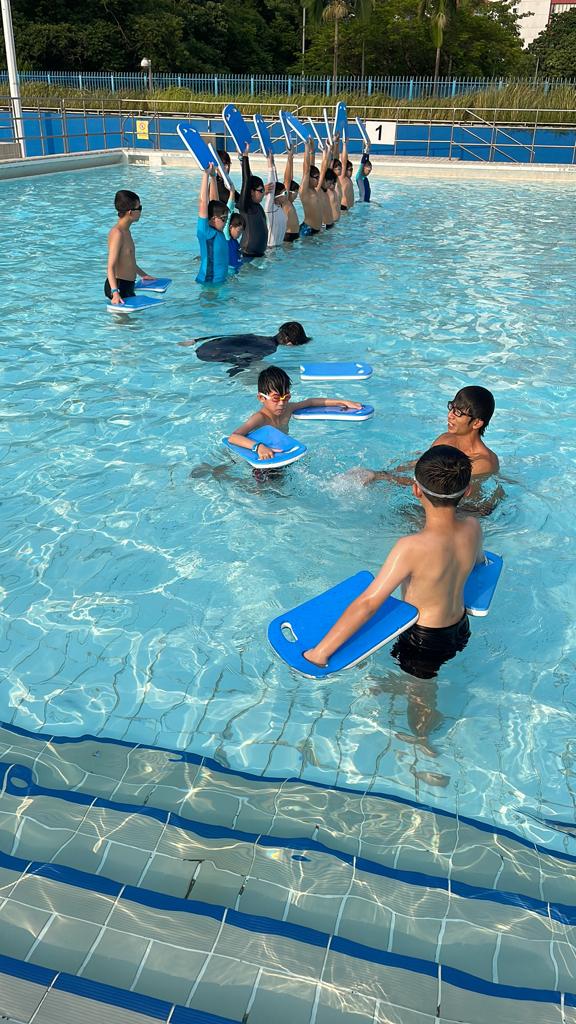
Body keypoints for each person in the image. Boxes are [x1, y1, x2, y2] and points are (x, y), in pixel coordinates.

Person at [304, 446, 484, 679]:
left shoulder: (411, 547)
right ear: (467, 491)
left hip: (423, 639)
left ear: (416, 490)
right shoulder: (473, 526)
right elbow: (479, 563)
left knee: (419, 694)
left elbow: (369, 603)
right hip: (460, 628)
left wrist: (320, 653)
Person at [364, 386, 499, 487]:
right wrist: (379, 473)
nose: (450, 415)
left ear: (476, 423)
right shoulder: (446, 439)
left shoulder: (482, 463)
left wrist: (383, 477)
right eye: (451, 407)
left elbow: (435, 489)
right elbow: (419, 465)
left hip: (468, 511)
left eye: (458, 413)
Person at [227, 367, 362, 459]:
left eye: (286, 397)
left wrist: (343, 402)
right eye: (276, 398)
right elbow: (233, 437)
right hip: (264, 457)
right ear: (261, 398)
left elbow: (311, 402)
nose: (282, 403)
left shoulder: (288, 409)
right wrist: (258, 447)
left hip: (282, 454)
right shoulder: (260, 418)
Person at [179, 321, 310, 376]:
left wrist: (197, 340)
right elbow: (246, 359)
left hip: (206, 346)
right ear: (290, 344)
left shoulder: (256, 336)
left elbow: (228, 337)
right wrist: (236, 371)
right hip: (209, 356)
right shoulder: (270, 349)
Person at [105, 190, 156, 304]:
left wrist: (143, 275)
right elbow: (110, 267)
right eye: (139, 208)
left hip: (127, 286)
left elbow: (128, 261)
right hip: (118, 287)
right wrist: (115, 293)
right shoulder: (117, 233)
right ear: (130, 212)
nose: (141, 211)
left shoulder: (126, 231)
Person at [195, 165, 229, 286]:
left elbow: (214, 201)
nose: (226, 222)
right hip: (209, 284)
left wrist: (213, 177)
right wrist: (205, 174)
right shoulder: (206, 233)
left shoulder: (218, 232)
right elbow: (203, 202)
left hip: (219, 282)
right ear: (213, 219)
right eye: (224, 219)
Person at [238, 145, 268, 257]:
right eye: (261, 190)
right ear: (251, 192)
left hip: (259, 255)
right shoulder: (245, 206)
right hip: (247, 254)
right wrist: (245, 156)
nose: (263, 193)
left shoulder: (257, 206)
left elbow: (249, 179)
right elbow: (246, 181)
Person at [299, 137, 323, 236]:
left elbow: (311, 166)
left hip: (316, 230)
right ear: (309, 178)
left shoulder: (313, 189)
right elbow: (307, 169)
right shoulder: (304, 191)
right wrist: (307, 146)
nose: (318, 180)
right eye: (316, 178)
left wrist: (313, 150)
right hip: (307, 230)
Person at [263, 152, 288, 248]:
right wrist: (269, 163)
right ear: (276, 195)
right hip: (269, 249)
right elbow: (272, 184)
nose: (286, 196)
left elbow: (275, 180)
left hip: (279, 249)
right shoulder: (270, 209)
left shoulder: (279, 207)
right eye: (285, 193)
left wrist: (272, 161)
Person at [282, 147, 301, 242]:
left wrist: (292, 159)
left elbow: (291, 178)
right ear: (289, 192)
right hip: (288, 236)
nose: (297, 195)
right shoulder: (285, 201)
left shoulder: (290, 203)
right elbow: (287, 179)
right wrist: (289, 157)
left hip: (294, 235)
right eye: (296, 193)